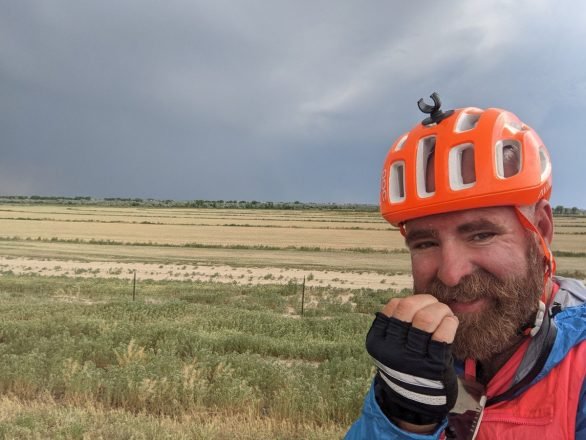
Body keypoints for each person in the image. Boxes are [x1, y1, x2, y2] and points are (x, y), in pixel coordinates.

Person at [345, 93, 586, 439]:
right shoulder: (423, 354)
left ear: (541, 231)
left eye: (481, 235)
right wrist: (404, 421)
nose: (451, 274)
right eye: (425, 243)